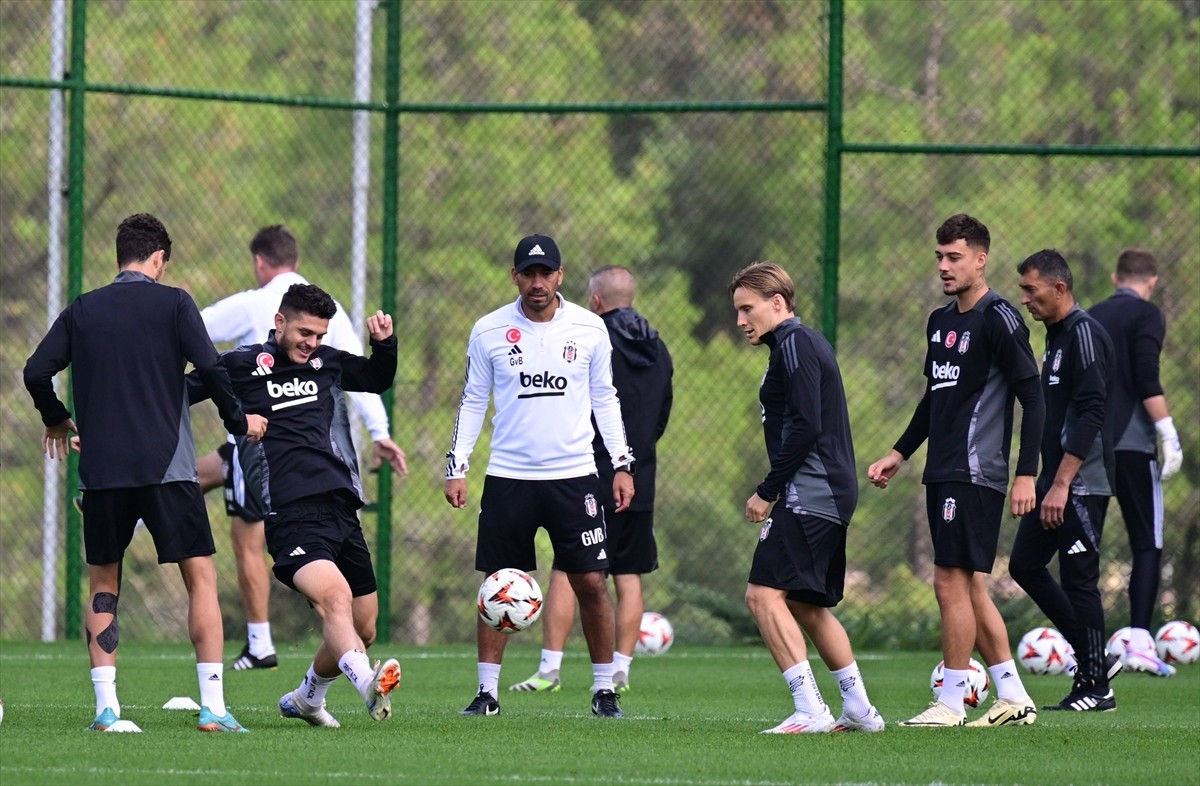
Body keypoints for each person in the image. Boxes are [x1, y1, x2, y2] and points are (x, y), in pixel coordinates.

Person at [23, 213, 267, 733]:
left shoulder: (83, 309)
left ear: (120, 256)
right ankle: (214, 708)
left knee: (104, 583)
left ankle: (107, 710)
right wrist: (237, 420)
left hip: (104, 472)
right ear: (158, 258)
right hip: (169, 470)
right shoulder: (175, 302)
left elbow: (35, 372)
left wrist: (58, 419)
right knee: (199, 578)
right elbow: (211, 370)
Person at [195, 224, 409, 671]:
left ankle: (307, 697)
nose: (311, 343)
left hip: (340, 506)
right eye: (304, 333)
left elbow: (374, 379)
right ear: (280, 322)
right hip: (289, 510)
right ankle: (367, 683)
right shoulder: (242, 365)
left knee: (364, 627)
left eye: (319, 335)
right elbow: (181, 388)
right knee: (335, 598)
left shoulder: (325, 362)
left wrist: (385, 344)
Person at [444, 234, 636, 719]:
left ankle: (603, 689)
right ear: (515, 277)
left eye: (544, 273)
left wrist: (621, 463)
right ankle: (487, 693)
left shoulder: (590, 329)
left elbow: (605, 399)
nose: (536, 283)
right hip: (509, 476)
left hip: (574, 476)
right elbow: (472, 400)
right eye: (527, 274)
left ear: (560, 276)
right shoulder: (488, 330)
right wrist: (457, 466)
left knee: (592, 581)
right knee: (499, 582)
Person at [866, 215, 1043, 728]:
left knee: (949, 581)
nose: (944, 266)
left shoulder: (1001, 318)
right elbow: (933, 397)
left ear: (980, 260)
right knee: (966, 586)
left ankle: (950, 702)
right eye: (940, 256)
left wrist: (1026, 473)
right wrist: (899, 453)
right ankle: (1011, 696)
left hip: (976, 469)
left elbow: (1033, 398)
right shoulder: (940, 321)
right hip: (942, 468)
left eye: (954, 257)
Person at [729, 262, 884, 734]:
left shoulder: (795, 344)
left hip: (811, 490)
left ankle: (810, 709)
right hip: (828, 489)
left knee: (761, 595)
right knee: (804, 604)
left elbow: (807, 424)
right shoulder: (796, 345)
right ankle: (858, 709)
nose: (740, 321)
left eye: (746, 308)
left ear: (778, 303)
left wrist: (767, 490)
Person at [509, 265, 673, 694]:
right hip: (639, 471)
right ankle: (620, 670)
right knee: (629, 571)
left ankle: (550, 669)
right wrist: (635, 458)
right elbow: (661, 414)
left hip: (588, 467)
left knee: (569, 565)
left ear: (596, 301)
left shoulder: (589, 334)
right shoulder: (659, 347)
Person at [1011, 249, 1117, 712]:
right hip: (1056, 481)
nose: (1026, 300)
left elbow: (1093, 410)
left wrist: (1061, 483)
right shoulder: (1056, 337)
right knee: (1024, 565)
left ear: (1059, 288)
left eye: (1031, 290)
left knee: (1080, 580)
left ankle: (1097, 687)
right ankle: (1096, 657)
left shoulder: (1085, 334)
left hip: (1082, 482)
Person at [1088, 248, 1184, 677]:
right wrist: (1168, 432)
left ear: (1114, 277)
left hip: (1089, 447)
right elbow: (1147, 375)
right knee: (1147, 540)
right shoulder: (1148, 314)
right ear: (1153, 280)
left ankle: (1086, 646)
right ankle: (1141, 641)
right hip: (1133, 444)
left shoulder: (1090, 315)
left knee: (1084, 547)